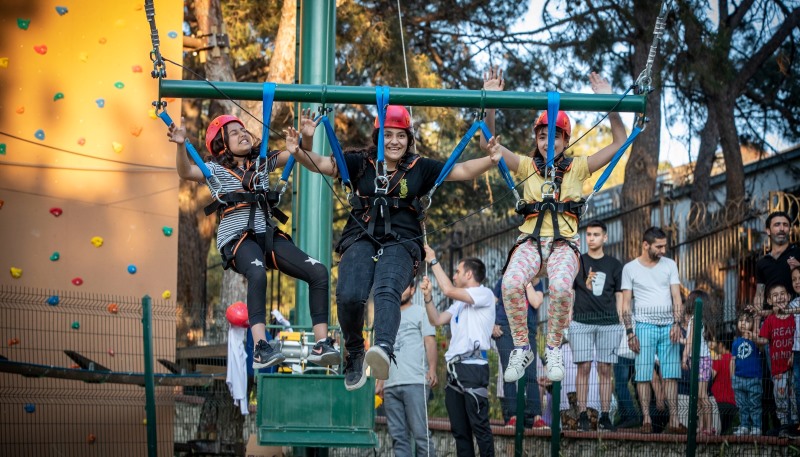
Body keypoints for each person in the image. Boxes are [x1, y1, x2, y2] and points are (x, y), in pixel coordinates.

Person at [285, 107, 500, 391]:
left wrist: (490, 160)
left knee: (388, 288)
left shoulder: (419, 167)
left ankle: (384, 348)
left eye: (401, 136)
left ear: (409, 140)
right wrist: (303, 146)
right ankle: (355, 351)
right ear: (378, 137)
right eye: (388, 135)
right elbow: (320, 163)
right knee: (349, 294)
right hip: (361, 235)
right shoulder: (361, 163)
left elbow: (461, 170)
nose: (394, 141)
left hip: (402, 240)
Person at [481, 68, 627, 383]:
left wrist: (610, 101)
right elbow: (488, 145)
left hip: (564, 244)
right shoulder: (525, 166)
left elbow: (619, 142)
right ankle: (523, 347)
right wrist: (490, 101)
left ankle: (554, 347)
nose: (548, 141)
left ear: (566, 140)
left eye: (555, 136)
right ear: (536, 139)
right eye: (542, 136)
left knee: (561, 287)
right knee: (509, 284)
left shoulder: (578, 167)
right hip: (530, 242)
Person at [167, 115, 338, 369]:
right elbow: (186, 171)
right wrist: (181, 145)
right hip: (237, 238)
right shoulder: (213, 170)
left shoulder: (261, 162)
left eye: (243, 130)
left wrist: (307, 137)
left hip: (266, 235)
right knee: (257, 273)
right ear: (222, 144)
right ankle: (261, 347)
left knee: (319, 271)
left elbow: (298, 153)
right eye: (234, 133)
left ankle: (322, 343)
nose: (242, 134)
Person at [421, 246, 495, 457]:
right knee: (460, 432)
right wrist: (428, 298)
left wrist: (433, 260)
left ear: (469, 274)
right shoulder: (459, 305)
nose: (454, 276)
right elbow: (436, 320)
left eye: (457, 272)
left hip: (473, 368)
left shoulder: (484, 294)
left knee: (480, 427)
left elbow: (447, 289)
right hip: (455, 370)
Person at [620, 226, 686, 434]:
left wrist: (677, 324)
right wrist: (630, 332)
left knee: (671, 374)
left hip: (669, 326)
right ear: (645, 245)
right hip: (643, 326)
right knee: (643, 374)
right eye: (659, 247)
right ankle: (646, 420)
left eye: (664, 246)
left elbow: (677, 297)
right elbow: (625, 304)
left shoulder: (670, 264)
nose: (663, 250)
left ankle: (674, 421)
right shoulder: (630, 268)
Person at [570, 220, 623, 432]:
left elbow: (619, 296)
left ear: (605, 237)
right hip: (581, 321)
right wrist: (567, 318)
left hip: (608, 322)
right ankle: (582, 414)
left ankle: (605, 416)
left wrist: (620, 321)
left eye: (596, 234)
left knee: (605, 369)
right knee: (583, 367)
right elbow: (570, 292)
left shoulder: (614, 265)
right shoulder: (578, 262)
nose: (591, 238)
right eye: (589, 234)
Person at [375, 279, 438, 457]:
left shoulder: (421, 312)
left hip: (415, 382)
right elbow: (381, 353)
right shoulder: (386, 317)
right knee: (398, 438)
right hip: (390, 386)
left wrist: (433, 369)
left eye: (404, 287)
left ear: (412, 290)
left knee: (421, 435)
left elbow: (430, 342)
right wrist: (380, 382)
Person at [492, 277, 548, 430]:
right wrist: (491, 324)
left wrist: (527, 281)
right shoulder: (504, 279)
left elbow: (536, 302)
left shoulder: (536, 282)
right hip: (505, 328)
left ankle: (536, 417)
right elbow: (491, 303)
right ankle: (512, 417)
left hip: (527, 329)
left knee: (530, 374)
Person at [755, 283, 798, 431]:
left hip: (794, 365)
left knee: (795, 396)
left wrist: (793, 354)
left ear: (789, 296)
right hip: (778, 369)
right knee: (780, 398)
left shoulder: (794, 317)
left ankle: (795, 425)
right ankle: (784, 425)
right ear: (769, 300)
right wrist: (754, 338)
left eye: (782, 294)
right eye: (775, 295)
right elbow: (764, 340)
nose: (779, 297)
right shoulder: (770, 320)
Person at [681, 289, 719, 436]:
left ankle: (709, 428)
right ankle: (702, 426)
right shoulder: (700, 320)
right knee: (699, 396)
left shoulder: (694, 320)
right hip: (700, 360)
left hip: (700, 360)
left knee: (702, 395)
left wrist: (684, 357)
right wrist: (680, 340)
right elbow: (691, 340)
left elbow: (690, 342)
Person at [732, 311, 763, 436]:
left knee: (755, 404)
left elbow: (762, 347)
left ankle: (756, 427)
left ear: (753, 324)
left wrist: (754, 337)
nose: (743, 323)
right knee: (742, 405)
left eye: (747, 321)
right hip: (738, 378)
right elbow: (733, 360)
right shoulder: (736, 342)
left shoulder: (756, 339)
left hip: (753, 378)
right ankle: (744, 425)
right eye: (741, 320)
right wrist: (732, 377)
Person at [711, 335, 737, 436]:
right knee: (722, 434)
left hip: (718, 402)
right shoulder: (734, 359)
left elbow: (711, 376)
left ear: (721, 345)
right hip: (732, 403)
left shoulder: (719, 358)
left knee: (714, 434)